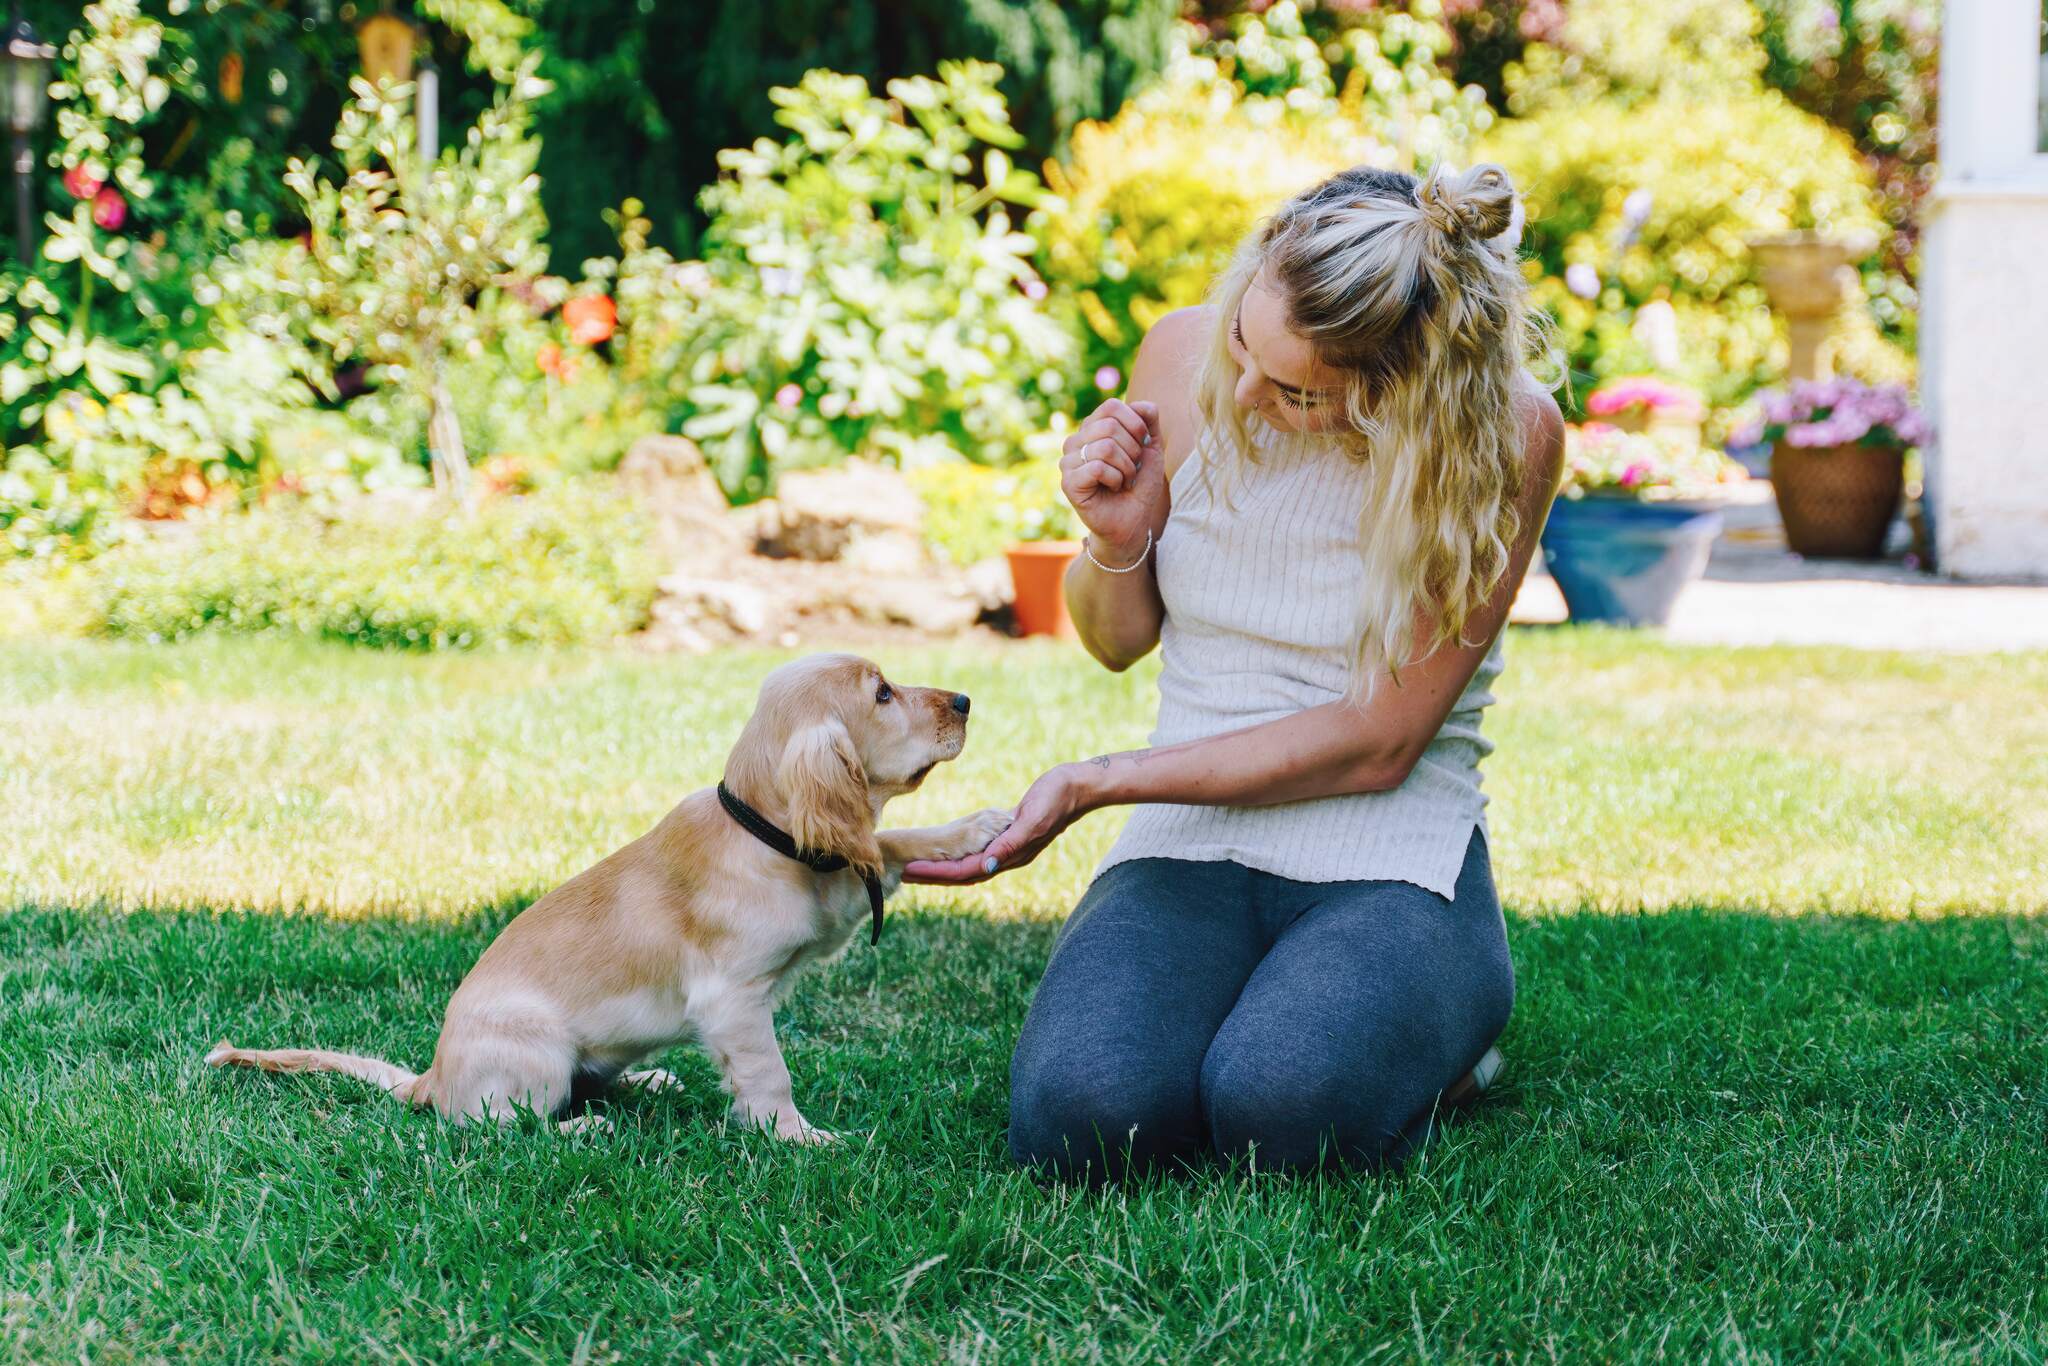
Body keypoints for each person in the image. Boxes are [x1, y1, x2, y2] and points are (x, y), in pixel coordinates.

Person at [907, 163, 1565, 1180]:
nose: (1246, 396)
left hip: (1386, 853)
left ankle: (1447, 1028)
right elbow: (1114, 638)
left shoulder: (1499, 433)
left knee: (1283, 1109)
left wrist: (1097, 780)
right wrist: (1116, 540)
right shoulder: (1177, 351)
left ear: (1403, 384)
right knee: (1081, 1119)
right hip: (1190, 838)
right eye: (1241, 346)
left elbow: (1377, 742)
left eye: (1300, 392)